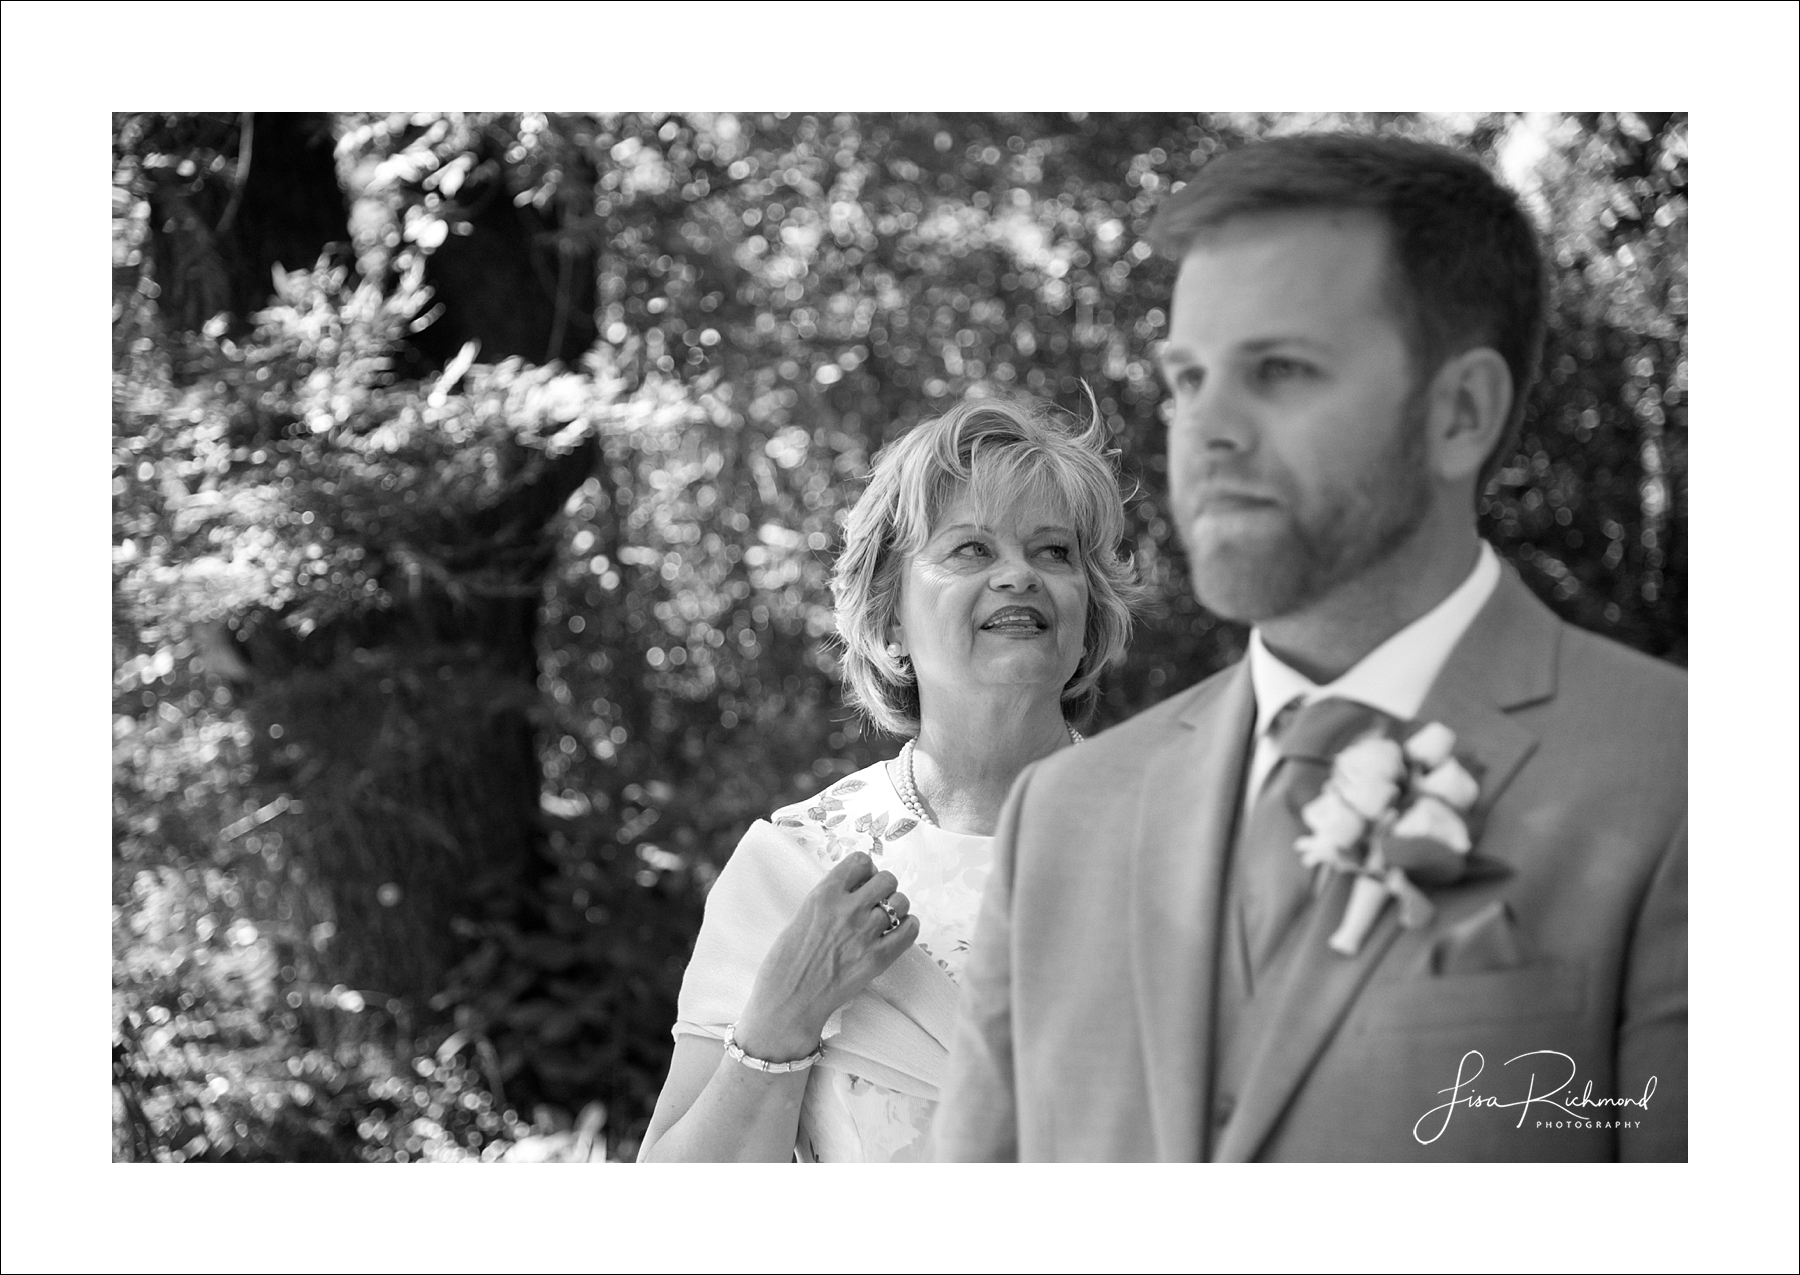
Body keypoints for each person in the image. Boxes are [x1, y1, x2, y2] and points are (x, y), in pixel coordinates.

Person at [934, 133, 1686, 1162]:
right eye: (1190, 379)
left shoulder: (1686, 779)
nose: (1207, 430)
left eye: (1279, 370)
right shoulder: (1062, 820)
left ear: (1460, 412)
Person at [637, 395, 1142, 1161]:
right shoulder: (794, 867)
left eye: (1053, 552)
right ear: (888, 620)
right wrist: (781, 1019)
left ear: (1087, 617)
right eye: (971, 549)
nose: (1019, 575)